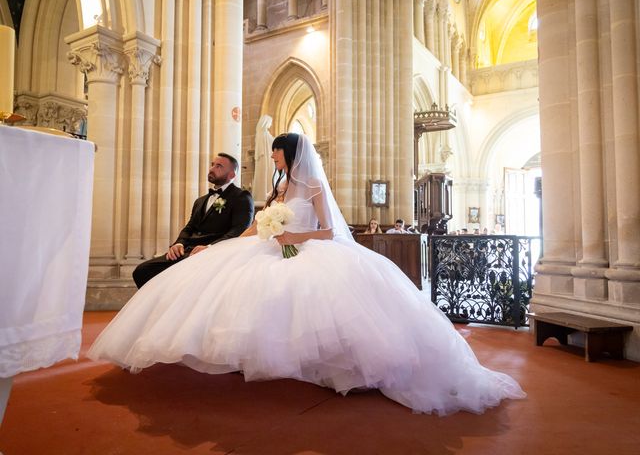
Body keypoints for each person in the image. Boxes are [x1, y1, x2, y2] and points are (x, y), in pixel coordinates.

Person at [89, 133, 524, 415]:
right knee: (230, 286)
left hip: (307, 250)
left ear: (290, 153)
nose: (274, 156)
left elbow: (329, 230)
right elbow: (263, 220)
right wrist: (258, 231)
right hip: (268, 247)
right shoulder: (278, 187)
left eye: (277, 151)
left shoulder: (314, 188)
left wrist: (291, 233)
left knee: (304, 301)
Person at [131, 153, 254, 288]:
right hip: (187, 251)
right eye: (212, 164)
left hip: (212, 255)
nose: (212, 168)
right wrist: (178, 244)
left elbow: (239, 230)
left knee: (177, 280)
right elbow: (190, 227)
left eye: (219, 166)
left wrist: (210, 248)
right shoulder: (200, 201)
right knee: (142, 271)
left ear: (232, 175)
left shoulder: (241, 197)